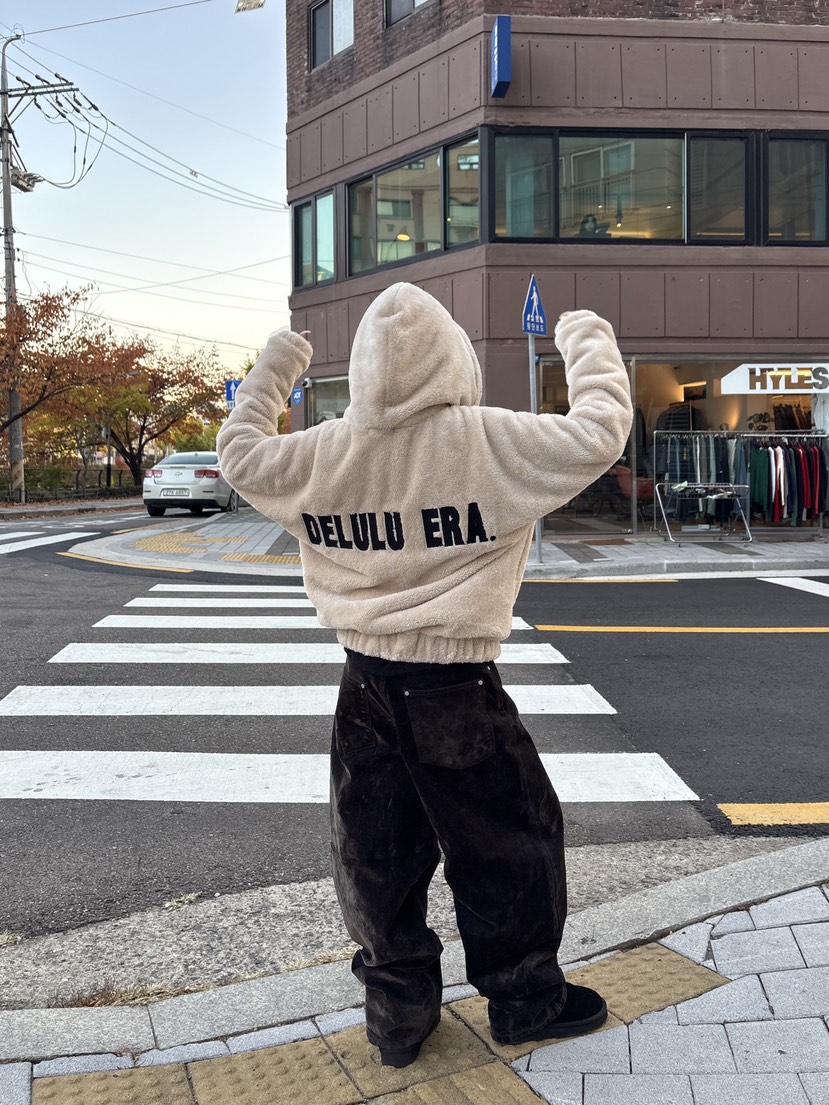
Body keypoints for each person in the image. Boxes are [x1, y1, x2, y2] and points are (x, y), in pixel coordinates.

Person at [216, 283, 633, 1069]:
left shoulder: (326, 450)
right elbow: (601, 428)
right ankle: (523, 998)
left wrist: (278, 365)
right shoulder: (485, 440)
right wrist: (583, 332)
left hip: (362, 680)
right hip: (455, 686)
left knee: (374, 853)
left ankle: (397, 1013)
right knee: (510, 843)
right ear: (452, 360)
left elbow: (237, 454)